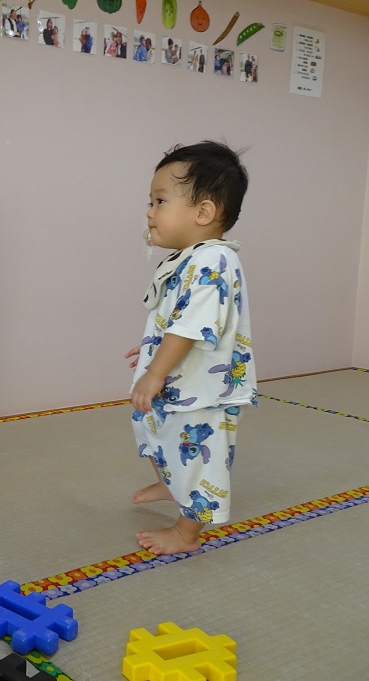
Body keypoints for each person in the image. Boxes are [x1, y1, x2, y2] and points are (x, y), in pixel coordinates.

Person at [125, 141, 256, 556]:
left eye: (160, 201)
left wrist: (156, 371)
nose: (150, 212)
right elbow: (179, 320)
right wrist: (153, 351)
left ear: (203, 212)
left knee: (199, 458)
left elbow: (191, 327)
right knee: (153, 427)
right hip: (181, 380)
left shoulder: (212, 261)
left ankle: (186, 534)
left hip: (203, 392)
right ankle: (170, 483)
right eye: (151, 202)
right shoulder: (192, 258)